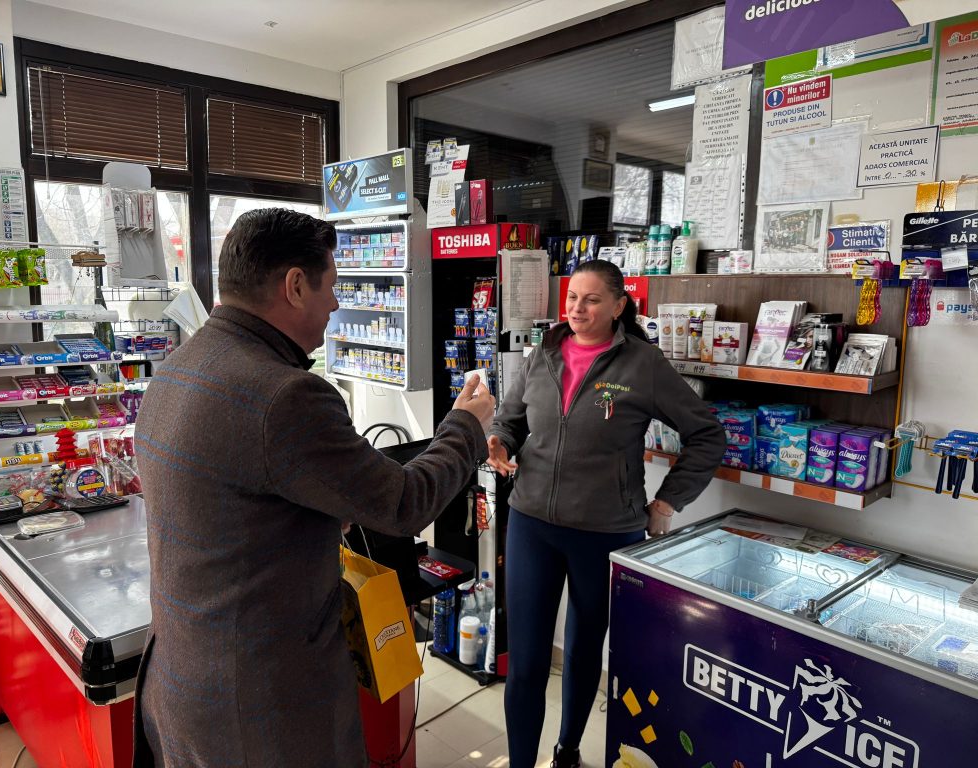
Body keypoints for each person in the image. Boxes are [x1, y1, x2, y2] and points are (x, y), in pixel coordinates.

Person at [131, 208, 494, 768]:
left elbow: (238, 501)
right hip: (263, 709)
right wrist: (466, 426)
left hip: (182, 682)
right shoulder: (286, 395)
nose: (335, 305)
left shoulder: (179, 366)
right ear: (296, 285)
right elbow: (403, 503)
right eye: (332, 286)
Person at [486, 259, 725, 768]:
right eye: (572, 297)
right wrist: (499, 442)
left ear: (618, 306)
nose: (578, 308)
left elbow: (707, 434)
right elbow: (510, 420)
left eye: (592, 299)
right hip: (530, 523)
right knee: (525, 661)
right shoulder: (543, 353)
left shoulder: (643, 364)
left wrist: (668, 501)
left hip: (605, 532)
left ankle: (567, 752)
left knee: (582, 649)